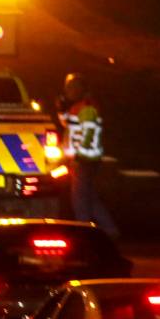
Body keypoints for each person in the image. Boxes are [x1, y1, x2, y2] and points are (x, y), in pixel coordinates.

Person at [57, 73, 119, 238]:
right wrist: (61, 110)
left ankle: (84, 235)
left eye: (72, 87)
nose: (68, 91)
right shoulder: (78, 106)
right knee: (90, 198)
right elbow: (68, 124)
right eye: (67, 88)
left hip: (84, 160)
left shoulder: (87, 107)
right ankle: (110, 230)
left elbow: (88, 133)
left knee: (80, 200)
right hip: (83, 160)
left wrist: (79, 157)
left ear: (81, 89)